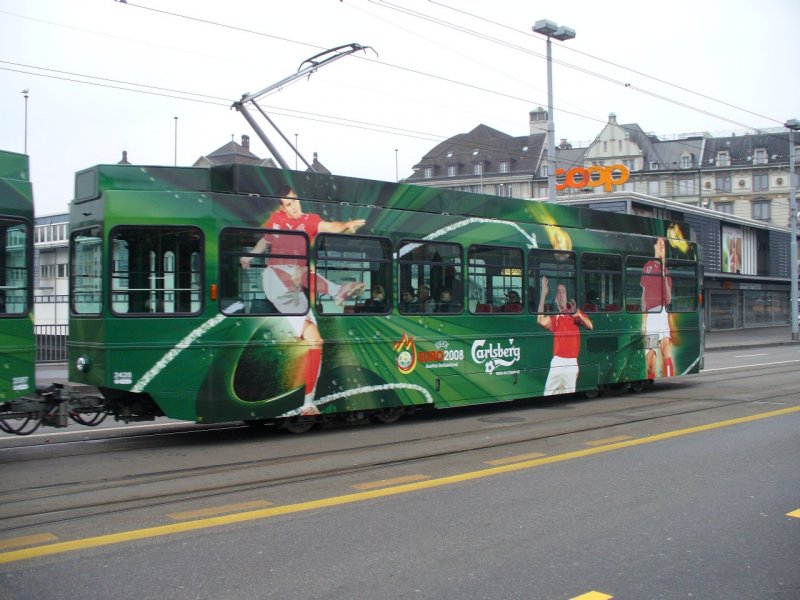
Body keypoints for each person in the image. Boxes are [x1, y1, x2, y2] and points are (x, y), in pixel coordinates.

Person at [240, 185, 366, 416]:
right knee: (297, 271)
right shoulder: (276, 220)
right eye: (289, 204)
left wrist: (347, 225)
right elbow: (264, 243)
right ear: (282, 207)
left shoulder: (309, 221)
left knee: (315, 341)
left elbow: (330, 226)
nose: (294, 206)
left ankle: (308, 403)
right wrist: (249, 257)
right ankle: (337, 290)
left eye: (295, 201)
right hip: (274, 279)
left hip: (294, 288)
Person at [537, 275, 593, 395]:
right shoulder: (555, 318)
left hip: (572, 362)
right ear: (556, 298)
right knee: (548, 393)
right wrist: (543, 295)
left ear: (566, 296)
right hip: (557, 362)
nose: (561, 295)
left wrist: (577, 313)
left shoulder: (574, 314)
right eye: (558, 292)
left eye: (563, 292)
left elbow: (590, 326)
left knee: (569, 395)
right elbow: (540, 320)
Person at [641, 236, 673, 379]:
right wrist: (644, 322)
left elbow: (669, 298)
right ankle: (650, 379)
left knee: (666, 348)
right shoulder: (648, 266)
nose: (661, 246)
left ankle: (669, 377)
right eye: (659, 243)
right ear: (654, 246)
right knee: (651, 355)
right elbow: (643, 296)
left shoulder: (666, 271)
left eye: (664, 245)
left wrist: (664, 277)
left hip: (662, 314)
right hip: (651, 316)